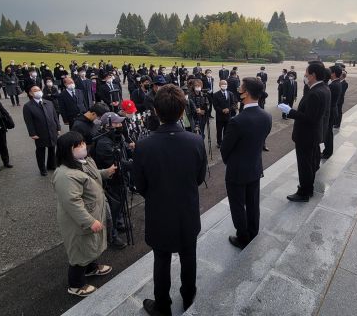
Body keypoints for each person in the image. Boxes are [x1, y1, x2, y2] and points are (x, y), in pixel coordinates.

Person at [133, 84, 207, 316]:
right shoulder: (195, 141)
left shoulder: (144, 146)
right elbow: (199, 177)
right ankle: (188, 296)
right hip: (187, 210)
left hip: (159, 212)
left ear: (156, 111)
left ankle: (162, 305)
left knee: (161, 259)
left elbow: (140, 184)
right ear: (183, 110)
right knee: (189, 256)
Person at [52, 131, 116, 297]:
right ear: (68, 150)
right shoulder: (64, 175)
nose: (83, 147)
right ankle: (76, 285)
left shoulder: (85, 161)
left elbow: (93, 177)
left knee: (90, 244)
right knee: (79, 251)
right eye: (77, 145)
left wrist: (105, 172)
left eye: (82, 143)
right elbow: (72, 203)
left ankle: (91, 268)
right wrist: (89, 221)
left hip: (93, 212)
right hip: (80, 219)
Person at [220, 78, 272, 249]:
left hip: (237, 170)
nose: (239, 91)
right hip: (255, 167)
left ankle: (242, 236)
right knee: (252, 202)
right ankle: (253, 230)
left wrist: (231, 163)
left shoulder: (237, 121)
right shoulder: (266, 116)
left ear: (246, 93)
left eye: (241, 88)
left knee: (237, 205)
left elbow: (225, 149)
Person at [277, 62, 330, 202]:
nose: (305, 76)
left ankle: (304, 192)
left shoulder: (315, 93)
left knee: (305, 165)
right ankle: (308, 188)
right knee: (311, 163)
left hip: (306, 135)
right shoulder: (324, 88)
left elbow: (309, 118)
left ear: (313, 75)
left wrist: (290, 111)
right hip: (314, 134)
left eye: (306, 73)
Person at [92, 112, 131, 250]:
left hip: (121, 179)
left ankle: (119, 224)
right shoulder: (103, 143)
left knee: (121, 204)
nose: (120, 125)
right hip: (111, 180)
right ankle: (113, 235)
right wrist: (135, 164)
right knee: (114, 207)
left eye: (120, 123)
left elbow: (125, 152)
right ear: (107, 126)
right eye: (116, 123)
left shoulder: (117, 137)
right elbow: (115, 164)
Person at [23, 86, 61, 176]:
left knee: (52, 148)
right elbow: (28, 122)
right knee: (41, 151)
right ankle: (42, 168)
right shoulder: (28, 106)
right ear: (31, 94)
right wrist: (32, 133)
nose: (38, 92)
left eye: (39, 90)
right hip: (40, 132)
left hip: (52, 129)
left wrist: (58, 127)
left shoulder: (49, 102)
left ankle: (51, 165)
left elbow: (55, 116)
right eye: (35, 91)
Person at [321, 65, 341, 160]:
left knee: (328, 133)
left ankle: (327, 152)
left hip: (331, 111)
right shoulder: (336, 83)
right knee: (328, 132)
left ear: (333, 73)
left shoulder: (333, 85)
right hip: (333, 110)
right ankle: (328, 151)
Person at [212, 80, 237, 148]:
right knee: (219, 130)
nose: (224, 86)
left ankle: (225, 142)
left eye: (225, 84)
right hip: (220, 116)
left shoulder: (230, 93)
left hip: (228, 116)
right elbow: (215, 105)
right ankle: (219, 143)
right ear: (220, 86)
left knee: (227, 130)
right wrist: (222, 110)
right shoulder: (215, 95)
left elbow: (233, 104)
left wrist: (229, 109)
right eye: (222, 85)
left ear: (227, 85)